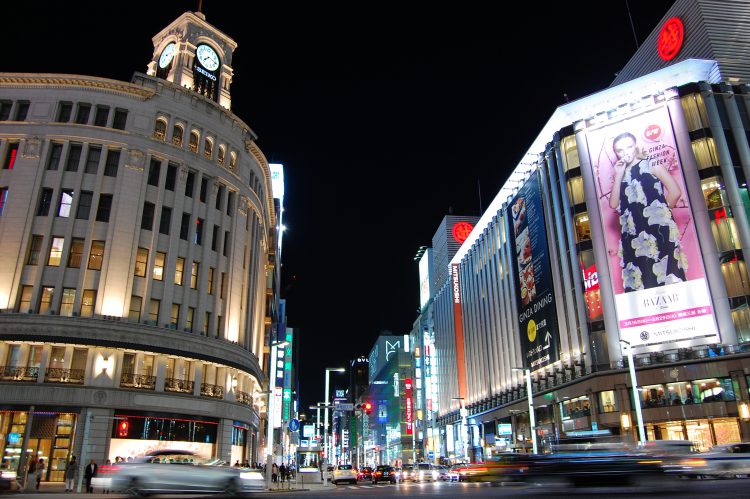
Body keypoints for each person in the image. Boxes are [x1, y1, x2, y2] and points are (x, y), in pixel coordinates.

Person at [608, 131, 686, 292]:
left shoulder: (651, 163)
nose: (625, 152)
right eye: (620, 150)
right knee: (640, 280)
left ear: (636, 146)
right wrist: (619, 174)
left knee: (668, 275)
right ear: (616, 153)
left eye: (629, 147)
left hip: (658, 230)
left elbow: (675, 191)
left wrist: (662, 216)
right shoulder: (619, 174)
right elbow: (613, 203)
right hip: (633, 236)